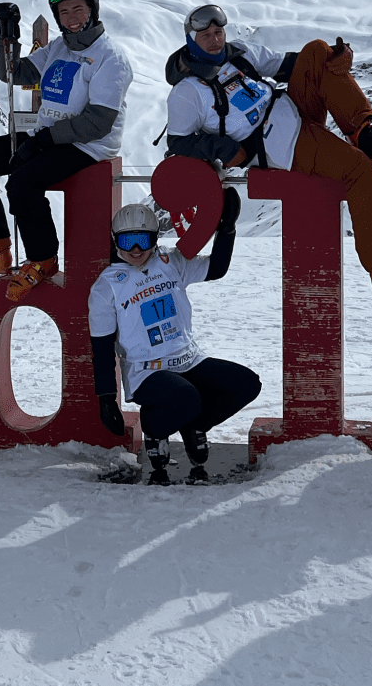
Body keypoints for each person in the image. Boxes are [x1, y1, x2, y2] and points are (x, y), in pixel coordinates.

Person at [163, 2, 372, 301]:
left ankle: (361, 131)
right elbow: (179, 142)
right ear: (191, 39)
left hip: (294, 109)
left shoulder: (238, 54)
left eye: (218, 31)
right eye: (206, 34)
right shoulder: (187, 92)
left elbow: (292, 64)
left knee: (316, 50)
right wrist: (223, 147)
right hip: (279, 144)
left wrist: (336, 60)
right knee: (358, 169)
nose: (215, 40)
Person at [0, 0, 132, 300]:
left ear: (92, 10)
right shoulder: (60, 47)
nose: (71, 17)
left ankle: (43, 259)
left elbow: (97, 124)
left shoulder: (109, 57)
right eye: (64, 11)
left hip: (86, 145)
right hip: (45, 135)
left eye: (78, 9)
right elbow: (14, 74)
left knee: (22, 183)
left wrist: (42, 142)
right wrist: (8, 34)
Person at [89, 199, 260, 484]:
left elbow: (216, 268)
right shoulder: (107, 286)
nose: (135, 250)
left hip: (188, 359)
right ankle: (155, 429)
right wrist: (106, 399)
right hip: (148, 372)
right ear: (115, 240)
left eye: (142, 240)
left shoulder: (170, 262)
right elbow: (102, 348)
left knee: (246, 384)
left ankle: (194, 426)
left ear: (155, 239)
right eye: (127, 240)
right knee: (187, 398)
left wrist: (227, 228)